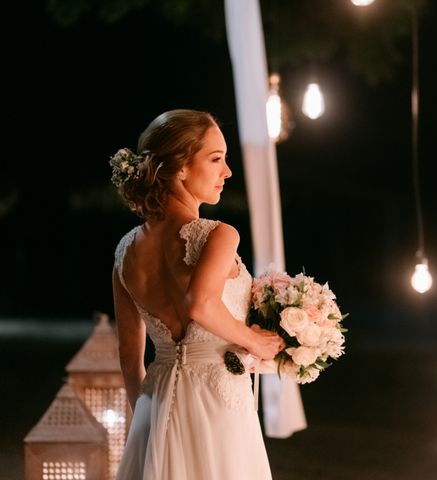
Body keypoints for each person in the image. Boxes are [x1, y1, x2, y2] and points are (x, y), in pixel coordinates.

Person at [110, 109, 283, 479]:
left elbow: (129, 357)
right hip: (218, 408)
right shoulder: (218, 235)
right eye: (216, 159)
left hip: (154, 404)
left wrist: (151, 420)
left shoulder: (125, 252)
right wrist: (256, 341)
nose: (227, 172)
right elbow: (200, 303)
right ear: (180, 168)